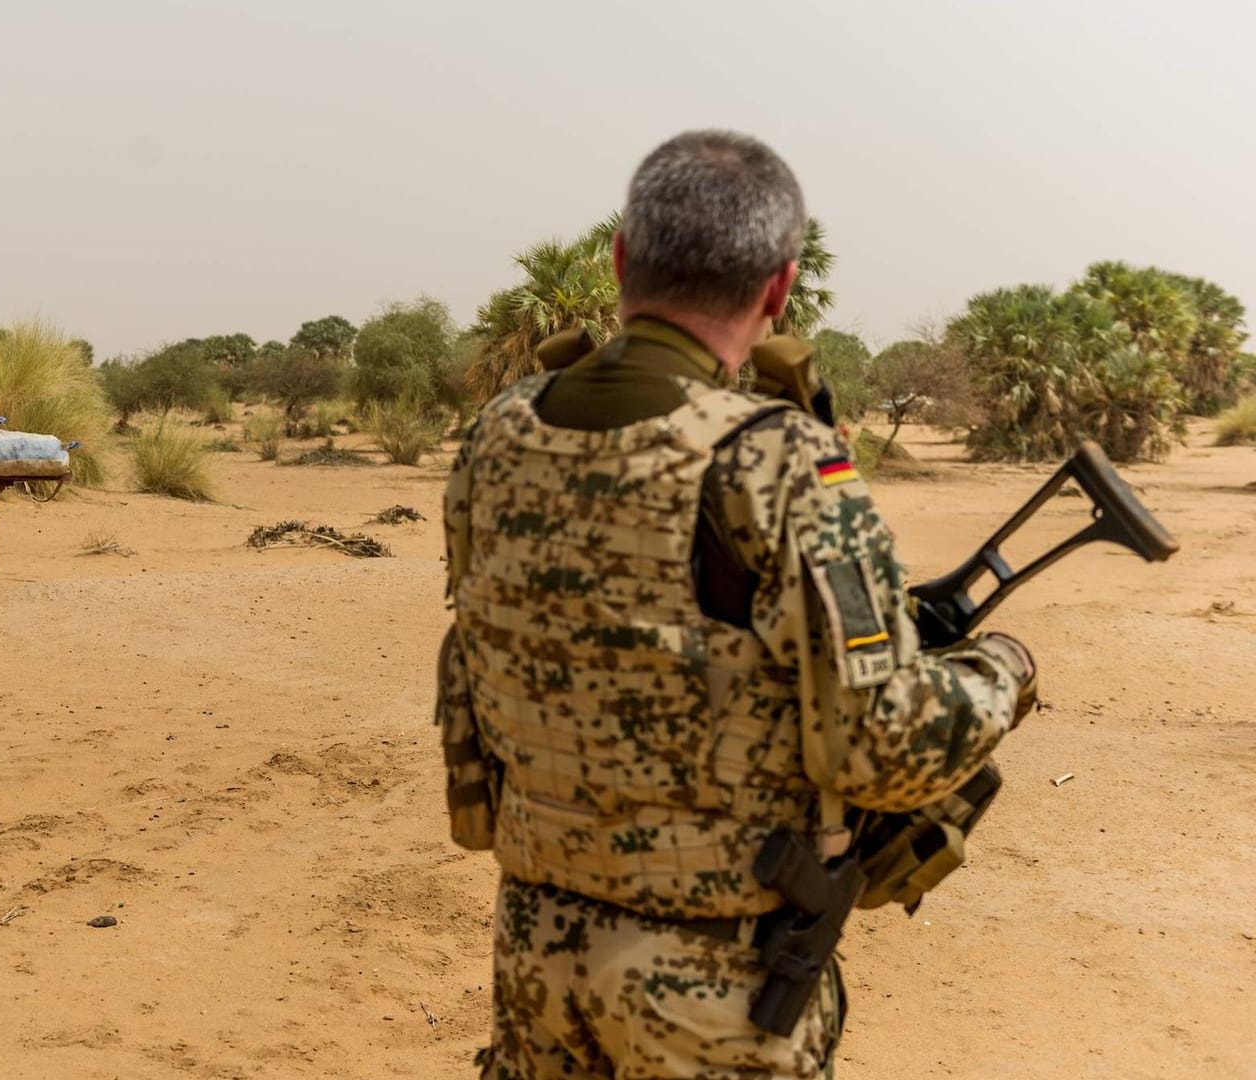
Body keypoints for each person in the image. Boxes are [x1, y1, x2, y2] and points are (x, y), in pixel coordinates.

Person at [438, 130, 1037, 1079]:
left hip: (533, 945)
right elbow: (880, 747)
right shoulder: (779, 459)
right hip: (714, 982)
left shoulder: (499, 430)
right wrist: (999, 674)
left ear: (624, 259)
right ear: (778, 287)